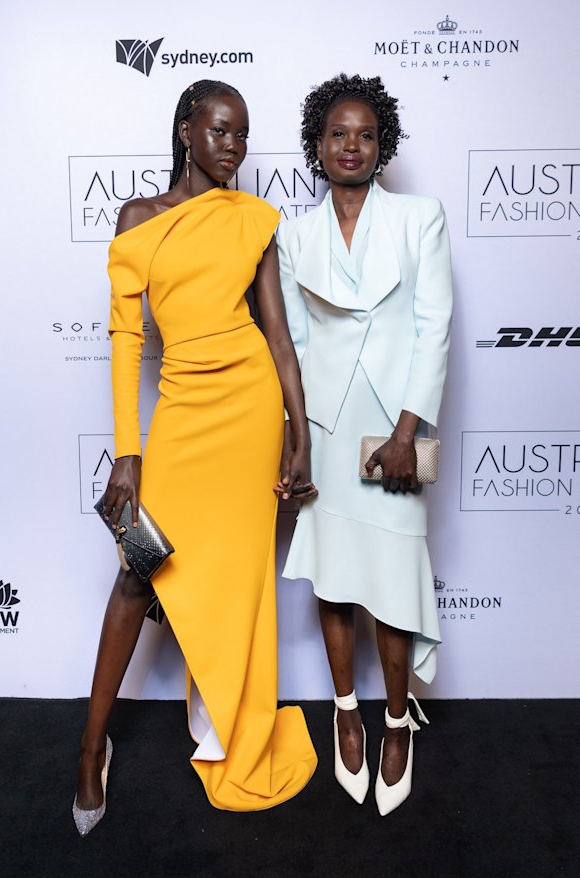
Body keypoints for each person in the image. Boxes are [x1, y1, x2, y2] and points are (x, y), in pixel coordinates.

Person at [73, 80, 318, 836]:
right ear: (186, 132)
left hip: (250, 416)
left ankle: (232, 721)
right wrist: (128, 455)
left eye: (242, 135)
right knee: (136, 571)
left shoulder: (254, 220)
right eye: (219, 131)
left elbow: (277, 337)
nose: (234, 148)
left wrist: (298, 429)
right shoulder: (140, 219)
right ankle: (89, 751)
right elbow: (125, 345)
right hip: (182, 416)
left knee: (242, 581)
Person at [276, 73, 452, 815]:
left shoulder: (420, 218)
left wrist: (410, 431)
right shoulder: (293, 235)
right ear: (318, 144)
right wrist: (298, 444)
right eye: (338, 134)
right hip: (324, 427)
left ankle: (393, 719)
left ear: (384, 145)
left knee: (394, 583)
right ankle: (345, 711)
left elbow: (432, 328)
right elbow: (294, 343)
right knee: (334, 579)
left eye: (366, 135)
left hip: (392, 430)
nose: (352, 146)